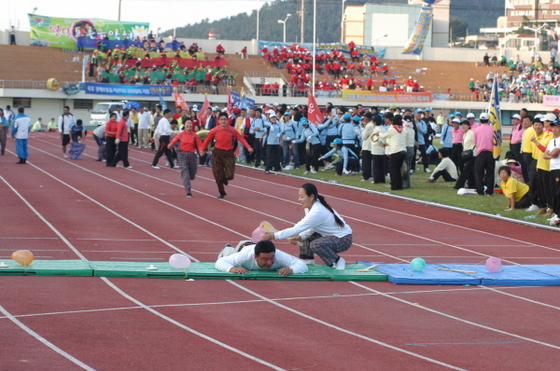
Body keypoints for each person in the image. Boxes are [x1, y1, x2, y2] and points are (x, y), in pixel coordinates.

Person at [263, 183, 352, 270]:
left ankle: (338, 260)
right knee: (304, 235)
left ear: (311, 197)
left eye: (302, 197)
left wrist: (272, 236)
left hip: (343, 240)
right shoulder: (310, 207)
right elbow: (311, 228)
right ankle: (309, 261)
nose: (299, 199)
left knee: (316, 244)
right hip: (331, 237)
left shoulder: (317, 211)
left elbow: (296, 229)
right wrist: (300, 237)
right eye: (299, 196)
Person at [201, 112, 254, 199]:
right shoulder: (214, 130)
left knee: (230, 175)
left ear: (228, 120)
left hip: (228, 153)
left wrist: (248, 147)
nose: (223, 121)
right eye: (221, 119)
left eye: (225, 119)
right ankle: (222, 192)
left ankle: (225, 178)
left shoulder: (232, 130)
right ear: (218, 121)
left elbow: (241, 139)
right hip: (217, 153)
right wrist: (202, 149)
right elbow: (207, 140)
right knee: (217, 174)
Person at [215, 240, 307, 276]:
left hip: (254, 245)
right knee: (229, 254)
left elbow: (302, 264)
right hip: (243, 247)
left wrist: (291, 269)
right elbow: (220, 262)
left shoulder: (279, 256)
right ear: (255, 257)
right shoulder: (244, 257)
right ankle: (227, 248)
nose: (269, 262)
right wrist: (232, 268)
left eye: (271, 258)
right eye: (265, 259)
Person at [168, 119, 205, 197]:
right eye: (187, 123)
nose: (189, 125)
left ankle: (187, 178)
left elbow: (199, 144)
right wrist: (171, 144)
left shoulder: (194, 135)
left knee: (192, 174)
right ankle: (188, 190)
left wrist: (201, 150)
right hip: (182, 155)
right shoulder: (181, 134)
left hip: (192, 155)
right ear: (184, 125)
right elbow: (175, 139)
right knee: (185, 171)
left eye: (190, 123)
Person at [374, 114, 406, 191]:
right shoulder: (403, 129)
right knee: (398, 169)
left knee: (393, 170)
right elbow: (396, 139)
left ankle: (395, 186)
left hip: (395, 151)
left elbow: (384, 136)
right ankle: (399, 185)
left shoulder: (392, 129)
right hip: (403, 150)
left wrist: (378, 134)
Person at [473, 113, 495, 196]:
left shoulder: (476, 130)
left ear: (480, 120)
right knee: (490, 173)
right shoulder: (492, 129)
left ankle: (480, 190)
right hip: (490, 153)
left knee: (479, 173)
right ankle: (489, 191)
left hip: (480, 153)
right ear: (488, 120)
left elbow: (475, 142)